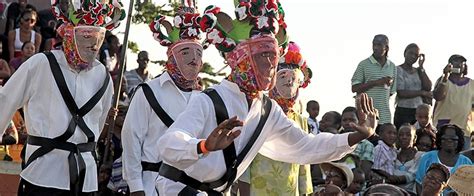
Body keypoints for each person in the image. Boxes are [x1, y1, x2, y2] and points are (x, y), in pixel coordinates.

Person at [157, 1, 377, 195]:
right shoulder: (208, 100)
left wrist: (355, 137)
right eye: (263, 55)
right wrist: (204, 146)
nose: (271, 64)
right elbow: (168, 143)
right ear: (239, 58)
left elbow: (304, 145)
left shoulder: (267, 109)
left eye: (273, 56)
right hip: (176, 189)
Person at [0, 1, 124, 195]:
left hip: (85, 179)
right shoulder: (40, 64)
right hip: (43, 174)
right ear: (69, 34)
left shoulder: (103, 76)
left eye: (98, 38)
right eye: (86, 36)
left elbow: (98, 125)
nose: (93, 45)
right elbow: (5, 101)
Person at [121, 5, 205, 196]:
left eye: (198, 54)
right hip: (151, 186)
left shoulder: (204, 98)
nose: (194, 60)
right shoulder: (149, 91)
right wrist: (135, 186)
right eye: (185, 53)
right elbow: (131, 138)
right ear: (172, 57)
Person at [239, 41, 313, 196]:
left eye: (294, 79)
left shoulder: (301, 121)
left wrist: (305, 192)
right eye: (283, 77)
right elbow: (245, 160)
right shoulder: (257, 112)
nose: (289, 82)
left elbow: (303, 164)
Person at [351, 34, 397, 127]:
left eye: (379, 45)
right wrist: (376, 83)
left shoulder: (392, 66)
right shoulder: (363, 64)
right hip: (366, 116)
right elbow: (354, 88)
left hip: (384, 117)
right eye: (374, 44)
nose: (375, 47)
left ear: (386, 47)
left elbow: (391, 92)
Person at [415, 124, 473, 195]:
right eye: (445, 138)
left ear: (459, 141)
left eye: (453, 139)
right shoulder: (427, 157)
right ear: (439, 140)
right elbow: (419, 183)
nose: (449, 141)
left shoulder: (466, 162)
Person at [433, 54, 474, 150]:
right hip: (445, 127)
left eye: (461, 62)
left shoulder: (472, 83)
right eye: (455, 61)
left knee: (463, 160)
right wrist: (445, 76)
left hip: (464, 129)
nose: (459, 64)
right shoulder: (443, 80)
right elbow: (438, 96)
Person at [394, 43, 432, 129]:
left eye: (416, 55)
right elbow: (401, 93)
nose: (413, 57)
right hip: (403, 110)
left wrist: (421, 67)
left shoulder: (418, 71)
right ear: (405, 53)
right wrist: (422, 93)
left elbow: (428, 86)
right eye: (411, 53)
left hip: (418, 111)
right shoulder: (398, 70)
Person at [340, 106, 374, 180]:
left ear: (359, 121)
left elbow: (364, 171)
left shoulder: (366, 145)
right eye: (344, 120)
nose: (348, 123)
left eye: (352, 120)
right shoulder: (336, 140)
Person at [387, 124, 423, 193]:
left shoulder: (420, 156)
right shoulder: (392, 154)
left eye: (408, 135)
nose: (404, 137)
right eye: (401, 135)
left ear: (415, 138)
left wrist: (386, 180)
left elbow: (411, 176)